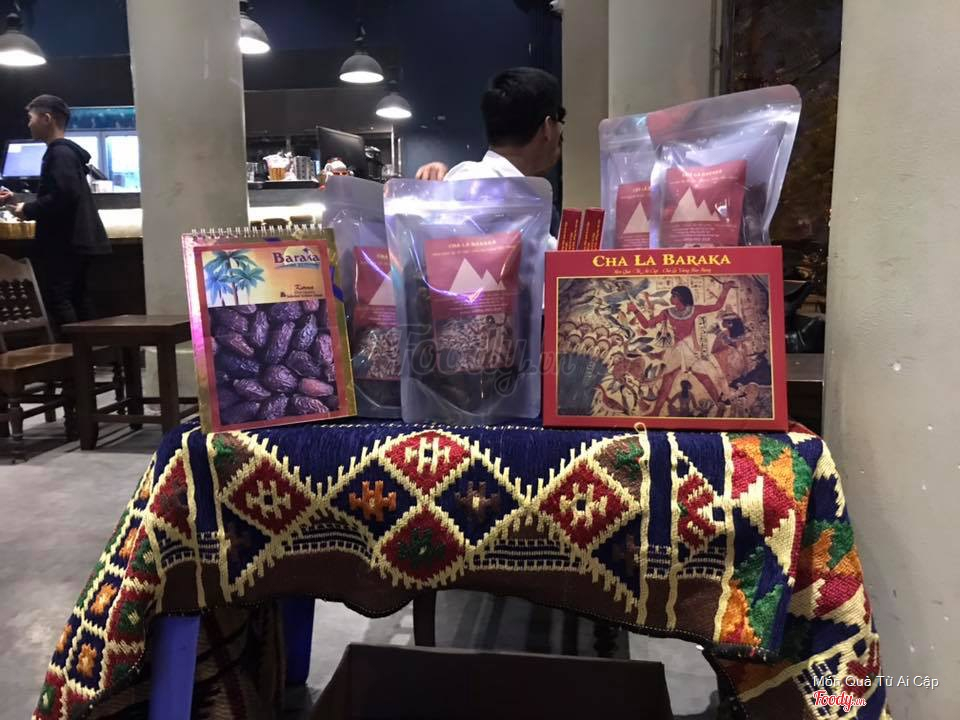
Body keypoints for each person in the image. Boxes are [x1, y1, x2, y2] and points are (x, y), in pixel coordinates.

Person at [0, 95, 111, 333]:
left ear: (46, 118)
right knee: (78, 297)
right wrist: (18, 200)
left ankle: (73, 353)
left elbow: (63, 196)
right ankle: (92, 350)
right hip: (79, 240)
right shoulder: (68, 153)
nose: (28, 124)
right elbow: (61, 194)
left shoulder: (58, 153)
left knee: (58, 298)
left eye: (31, 118)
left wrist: (27, 210)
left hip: (65, 242)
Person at [626, 282, 737, 416]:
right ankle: (656, 412)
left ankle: (720, 406)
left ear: (681, 297)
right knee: (669, 380)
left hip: (689, 349)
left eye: (674, 296)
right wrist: (635, 310)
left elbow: (717, 306)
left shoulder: (694, 310)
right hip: (678, 350)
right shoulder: (667, 312)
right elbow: (647, 324)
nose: (670, 298)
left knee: (703, 378)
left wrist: (725, 289)